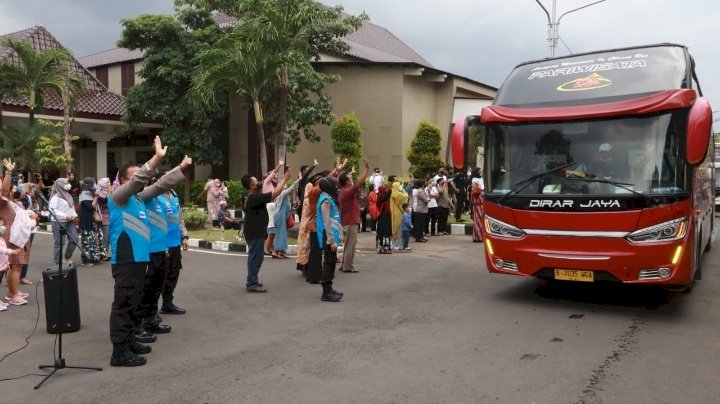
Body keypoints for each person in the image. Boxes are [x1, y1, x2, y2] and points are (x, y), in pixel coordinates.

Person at [107, 136, 174, 367]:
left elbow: (159, 185)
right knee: (124, 304)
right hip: (126, 260)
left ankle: (130, 340)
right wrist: (155, 158)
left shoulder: (137, 199)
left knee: (134, 302)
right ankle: (119, 352)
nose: (143, 179)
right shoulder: (119, 198)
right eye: (135, 177)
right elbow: (141, 180)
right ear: (125, 181)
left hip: (138, 259)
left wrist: (182, 168)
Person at [135, 160, 191, 338]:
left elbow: (178, 218)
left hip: (170, 244)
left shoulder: (173, 196)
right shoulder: (150, 196)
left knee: (168, 276)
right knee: (151, 284)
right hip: (156, 247)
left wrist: (184, 235)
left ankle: (159, 311)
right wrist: (180, 167)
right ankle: (145, 319)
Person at [241, 165, 291, 293]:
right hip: (254, 232)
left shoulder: (254, 196)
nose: (258, 182)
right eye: (255, 181)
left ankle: (253, 280)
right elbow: (276, 193)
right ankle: (251, 283)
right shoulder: (253, 197)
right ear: (251, 186)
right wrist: (284, 179)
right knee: (255, 257)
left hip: (256, 231)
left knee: (257, 257)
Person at [0, 159, 34, 306]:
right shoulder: (2, 199)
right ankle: (13, 295)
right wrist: (8, 172)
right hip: (11, 236)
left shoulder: (7, 200)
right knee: (15, 265)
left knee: (16, 265)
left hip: (16, 235)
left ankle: (13, 292)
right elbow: (6, 191)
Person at [338, 158, 369, 273]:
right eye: (350, 178)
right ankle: (348, 266)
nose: (352, 179)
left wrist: (349, 173)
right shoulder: (347, 191)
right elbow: (360, 182)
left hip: (347, 221)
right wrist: (366, 169)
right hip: (351, 221)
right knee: (351, 245)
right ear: (346, 182)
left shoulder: (343, 191)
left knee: (347, 245)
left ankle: (344, 264)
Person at [316, 177, 344, 302]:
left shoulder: (328, 198)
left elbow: (335, 219)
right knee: (328, 263)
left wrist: (339, 236)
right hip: (327, 236)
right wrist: (331, 241)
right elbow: (326, 222)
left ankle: (330, 288)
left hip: (331, 235)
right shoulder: (325, 201)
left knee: (332, 262)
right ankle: (326, 292)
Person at [48, 178, 78, 265]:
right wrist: (65, 216)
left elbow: (71, 207)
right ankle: (58, 261)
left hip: (69, 221)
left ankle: (67, 257)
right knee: (60, 242)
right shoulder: (55, 197)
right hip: (58, 221)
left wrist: (74, 215)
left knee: (74, 239)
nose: (68, 184)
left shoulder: (68, 195)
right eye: (66, 182)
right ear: (60, 185)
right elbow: (52, 210)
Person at [272, 174, 300, 259]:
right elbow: (291, 188)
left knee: (283, 234)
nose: (285, 188)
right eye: (284, 187)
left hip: (282, 216)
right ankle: (276, 251)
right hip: (280, 216)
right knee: (281, 234)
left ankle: (282, 251)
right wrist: (299, 180)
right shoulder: (281, 194)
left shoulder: (284, 195)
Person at [0, 218, 21, 311]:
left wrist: (7, 263)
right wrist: (11, 251)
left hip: (2, 266)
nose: (3, 227)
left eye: (3, 225)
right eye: (1, 226)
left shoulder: (2, 238)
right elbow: (2, 250)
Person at [79, 177, 101, 266]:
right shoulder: (83, 195)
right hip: (86, 221)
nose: (95, 185)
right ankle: (86, 260)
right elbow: (91, 207)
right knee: (86, 241)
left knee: (93, 240)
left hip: (93, 221)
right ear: (88, 185)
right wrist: (96, 197)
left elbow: (104, 200)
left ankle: (94, 258)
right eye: (93, 184)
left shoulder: (92, 193)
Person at [96, 177, 112, 260]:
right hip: (103, 217)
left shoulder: (107, 192)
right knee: (104, 237)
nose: (110, 183)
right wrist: (109, 192)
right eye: (108, 182)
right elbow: (105, 202)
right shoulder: (99, 193)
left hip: (110, 217)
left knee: (109, 237)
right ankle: (102, 254)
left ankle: (105, 253)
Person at [389, 177, 408, 247]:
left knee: (394, 226)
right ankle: (398, 244)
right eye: (399, 185)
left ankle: (394, 243)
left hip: (393, 212)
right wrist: (402, 189)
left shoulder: (392, 194)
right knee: (399, 229)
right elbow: (406, 196)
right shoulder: (400, 195)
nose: (400, 186)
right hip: (399, 213)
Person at [375, 185, 393, 254]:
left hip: (385, 217)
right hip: (383, 217)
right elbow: (386, 196)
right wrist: (390, 190)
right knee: (384, 232)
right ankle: (383, 249)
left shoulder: (381, 196)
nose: (385, 191)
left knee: (386, 232)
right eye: (384, 190)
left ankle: (385, 248)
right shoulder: (380, 197)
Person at [471, 177, 484, 243]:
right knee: (477, 222)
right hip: (477, 206)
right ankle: (478, 237)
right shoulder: (475, 191)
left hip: (481, 207)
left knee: (480, 222)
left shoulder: (479, 190)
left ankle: (479, 237)